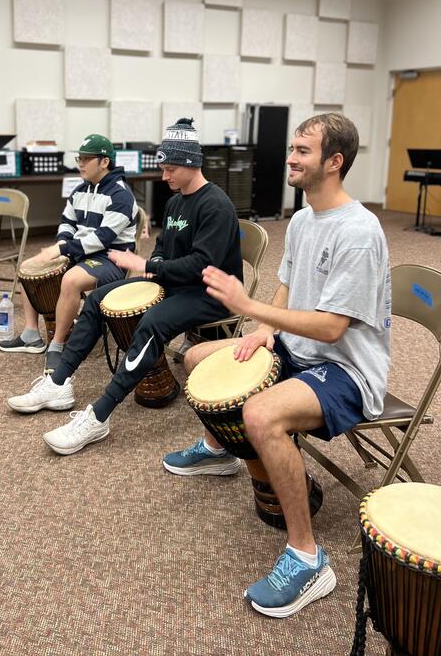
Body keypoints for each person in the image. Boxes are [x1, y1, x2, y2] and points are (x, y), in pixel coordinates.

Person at [163, 113, 391, 619]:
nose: (290, 157)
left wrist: (250, 310)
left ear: (334, 162)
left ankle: (308, 558)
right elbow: (287, 285)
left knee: (262, 415)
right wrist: (266, 332)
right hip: (297, 349)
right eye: (292, 147)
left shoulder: (359, 230)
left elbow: (333, 328)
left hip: (347, 369)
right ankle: (221, 449)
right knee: (197, 358)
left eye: (303, 151)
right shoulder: (306, 219)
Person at [7, 118, 243, 455]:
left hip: (211, 294)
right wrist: (154, 267)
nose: (164, 177)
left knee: (150, 324)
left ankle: (99, 415)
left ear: (191, 164)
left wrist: (147, 266)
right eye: (163, 168)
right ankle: (58, 382)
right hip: (177, 284)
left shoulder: (215, 205)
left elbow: (200, 265)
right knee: (98, 301)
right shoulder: (176, 201)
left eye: (171, 169)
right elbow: (164, 247)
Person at [0, 134, 138, 373]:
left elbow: (102, 238)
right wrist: (62, 243)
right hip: (81, 252)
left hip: (111, 258)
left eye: (86, 159)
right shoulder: (80, 190)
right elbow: (67, 222)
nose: (80, 164)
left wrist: (62, 249)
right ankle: (32, 334)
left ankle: (58, 345)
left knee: (71, 280)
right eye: (79, 159)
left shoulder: (121, 195)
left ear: (104, 162)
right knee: (29, 268)